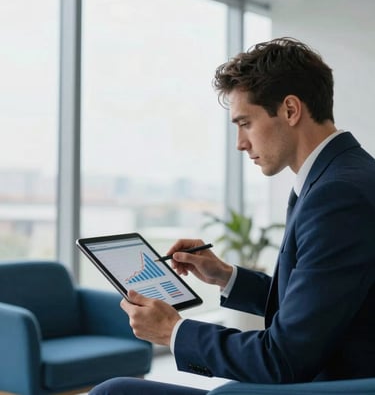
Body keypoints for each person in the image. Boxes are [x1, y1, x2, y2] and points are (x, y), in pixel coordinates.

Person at [90, 37, 375, 394]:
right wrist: (227, 277)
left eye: (246, 123)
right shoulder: (339, 177)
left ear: (290, 110)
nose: (240, 143)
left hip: (324, 386)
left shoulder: (338, 195)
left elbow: (282, 358)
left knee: (114, 392)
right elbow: (318, 303)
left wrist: (173, 332)